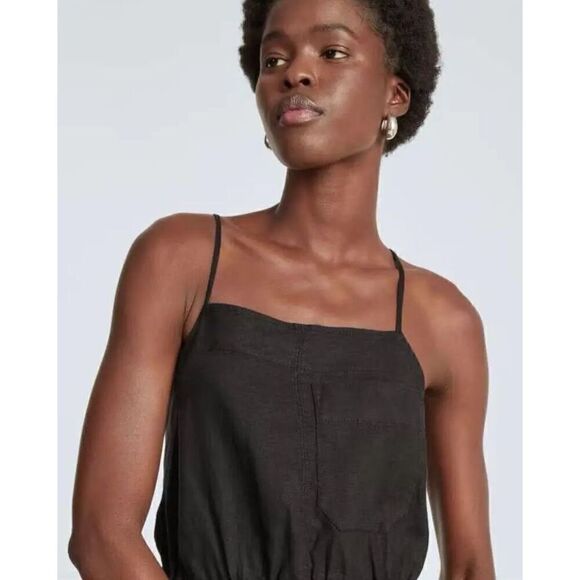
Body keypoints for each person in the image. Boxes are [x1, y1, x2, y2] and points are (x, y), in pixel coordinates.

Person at [68, 0, 496, 578]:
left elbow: (470, 566)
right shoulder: (182, 261)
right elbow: (102, 534)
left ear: (395, 95)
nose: (295, 73)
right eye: (273, 60)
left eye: (332, 52)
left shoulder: (444, 321)